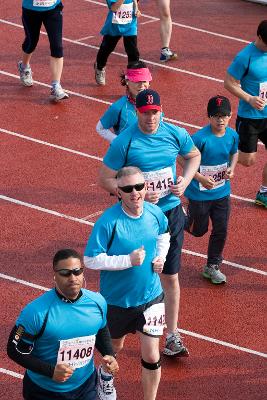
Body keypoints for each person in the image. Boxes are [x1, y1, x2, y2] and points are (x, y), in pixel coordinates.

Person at [98, 89, 201, 357]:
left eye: (155, 112)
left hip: (170, 214)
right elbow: (106, 178)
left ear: (161, 110)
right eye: (146, 113)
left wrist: (186, 181)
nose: (151, 118)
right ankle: (121, 330)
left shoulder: (174, 133)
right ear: (137, 113)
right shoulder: (125, 141)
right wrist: (137, 194)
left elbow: (193, 156)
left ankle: (172, 335)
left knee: (170, 275)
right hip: (138, 219)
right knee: (136, 272)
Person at [84, 166, 170, 400]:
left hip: (152, 297)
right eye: (128, 188)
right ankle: (104, 375)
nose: (135, 192)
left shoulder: (154, 213)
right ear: (118, 192)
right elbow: (90, 259)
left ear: (146, 187)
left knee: (152, 355)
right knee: (114, 349)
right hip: (117, 301)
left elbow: (164, 234)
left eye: (140, 186)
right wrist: (127, 260)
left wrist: (160, 256)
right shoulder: (108, 222)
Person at [7, 249, 118, 400]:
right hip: (44, 391)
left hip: (86, 386)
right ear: (54, 275)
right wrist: (51, 371)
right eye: (65, 273)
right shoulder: (36, 313)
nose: (73, 278)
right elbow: (14, 350)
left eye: (77, 271)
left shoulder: (98, 302)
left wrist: (109, 354)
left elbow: (101, 329)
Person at [183, 95, 239, 284]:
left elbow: (235, 153)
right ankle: (180, 218)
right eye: (216, 116)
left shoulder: (232, 135)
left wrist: (232, 168)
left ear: (230, 116)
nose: (220, 119)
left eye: (224, 115)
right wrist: (199, 177)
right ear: (209, 117)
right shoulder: (199, 138)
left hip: (222, 193)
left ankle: (212, 265)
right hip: (199, 194)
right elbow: (182, 158)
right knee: (198, 231)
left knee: (221, 229)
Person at [224, 20, 267, 208]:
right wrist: (249, 99)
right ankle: (217, 156)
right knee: (248, 160)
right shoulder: (245, 57)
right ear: (259, 37)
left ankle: (264, 192)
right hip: (250, 117)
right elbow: (229, 83)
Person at [18, 0, 69, 102]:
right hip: (31, 10)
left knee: (57, 46)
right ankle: (24, 66)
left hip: (53, 9)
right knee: (31, 42)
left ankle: (56, 86)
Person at [96, 61, 152, 142]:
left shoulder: (154, 102)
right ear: (127, 81)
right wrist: (119, 142)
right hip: (130, 154)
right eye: (137, 81)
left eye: (144, 81)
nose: (141, 85)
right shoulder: (118, 108)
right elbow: (100, 128)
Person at [94, 0, 141, 86]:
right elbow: (114, 8)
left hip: (130, 25)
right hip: (114, 25)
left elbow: (135, 2)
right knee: (106, 49)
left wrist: (137, 10)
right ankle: (100, 67)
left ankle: (134, 78)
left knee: (133, 52)